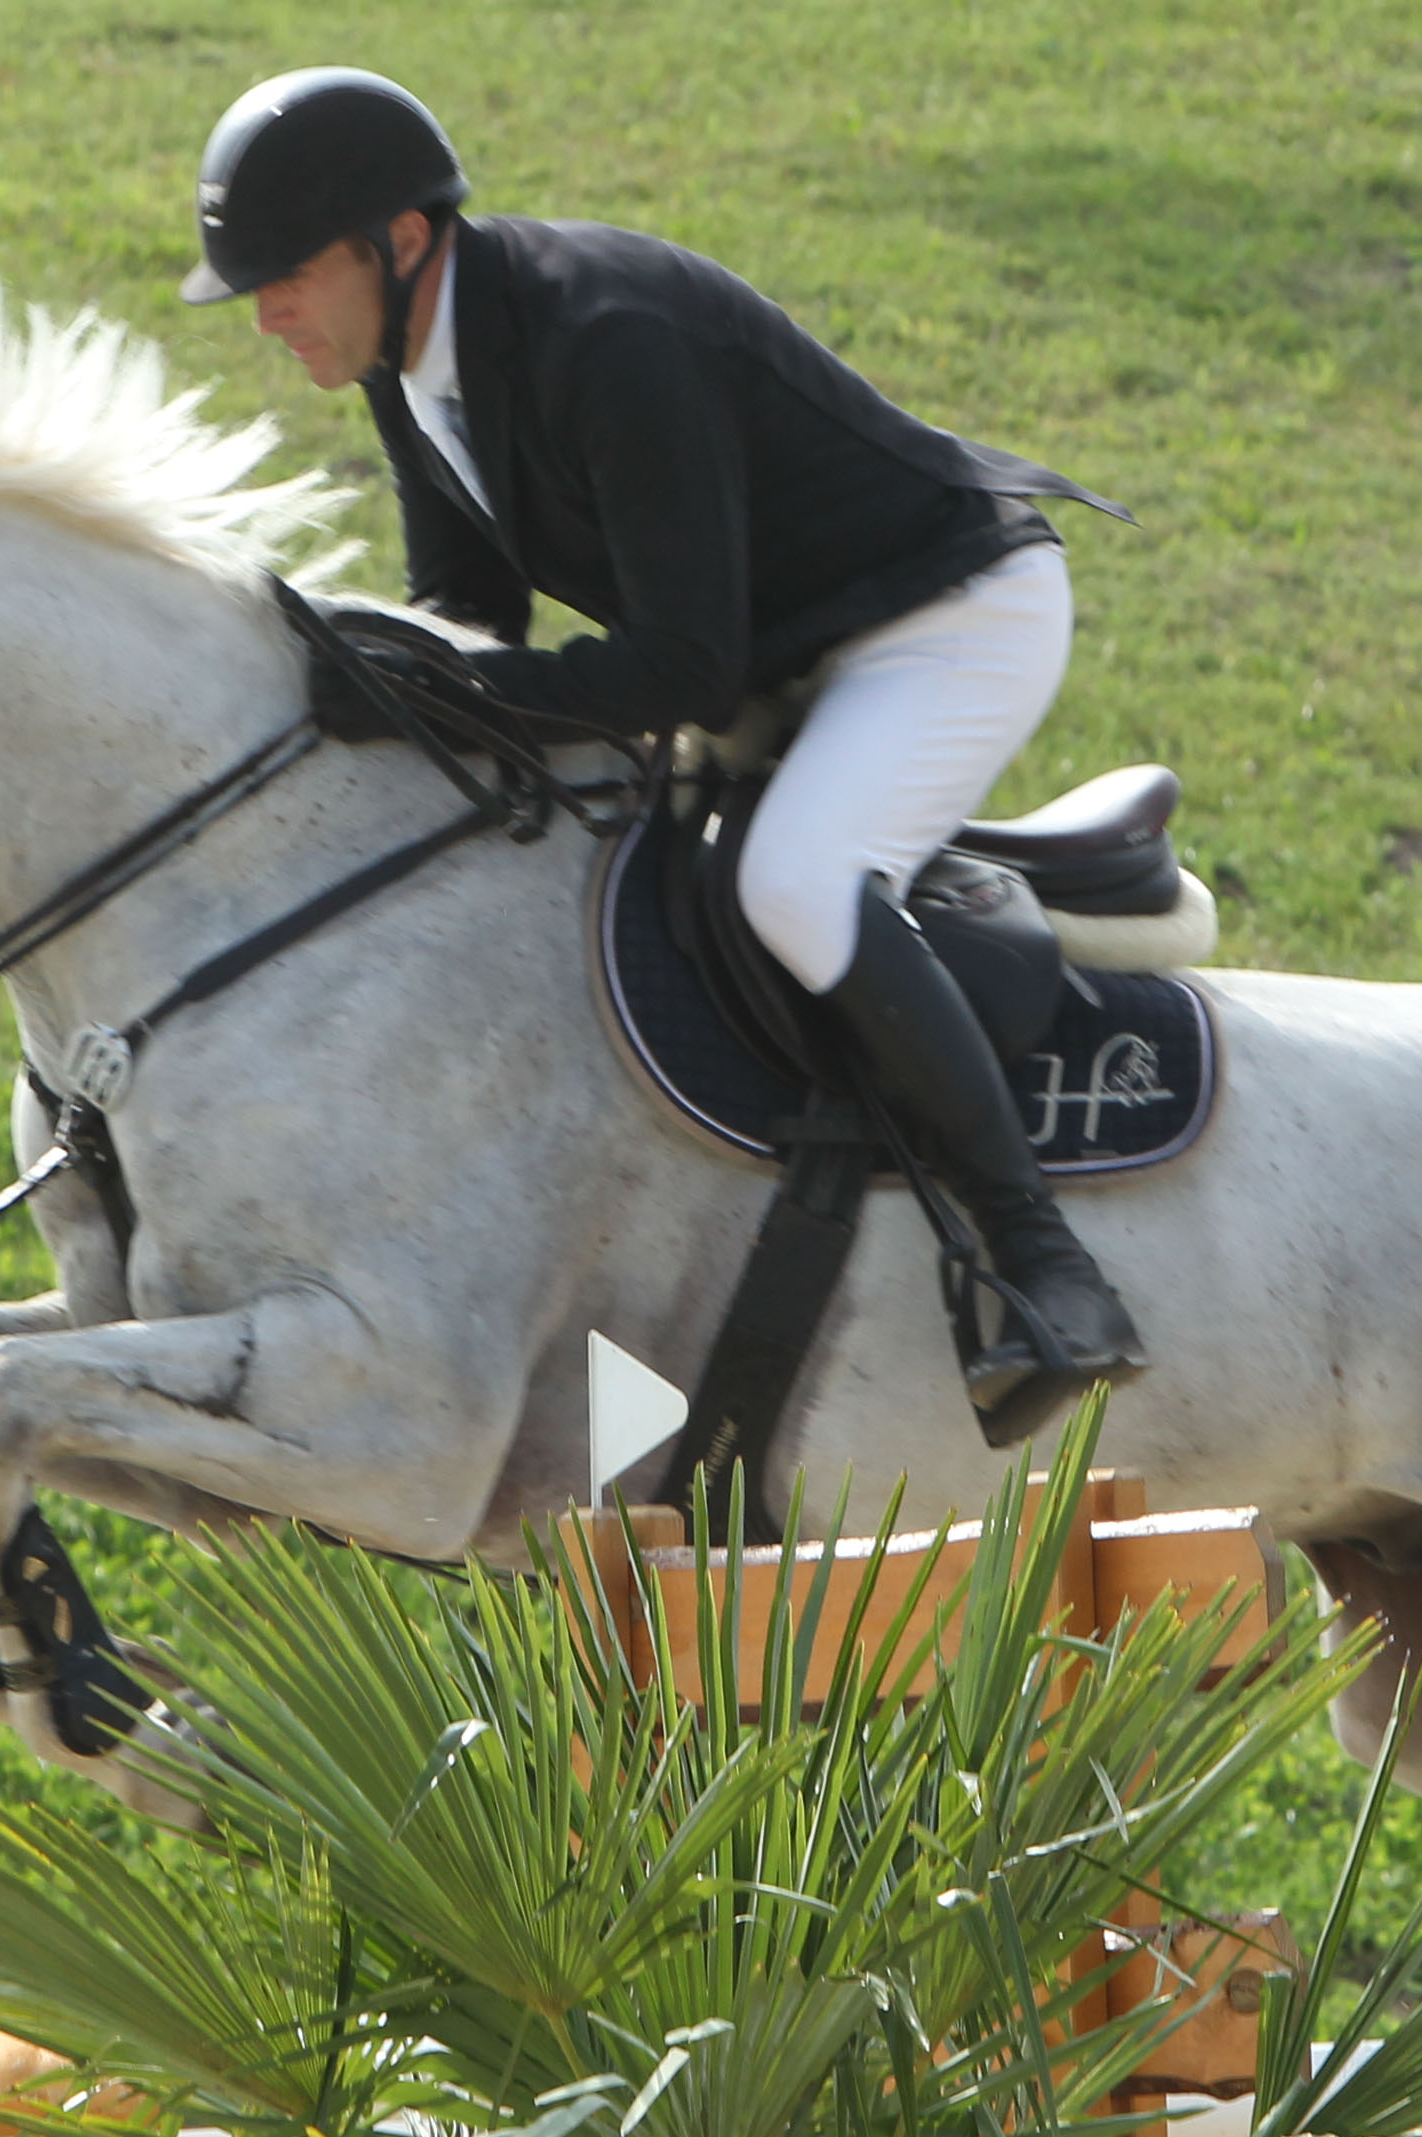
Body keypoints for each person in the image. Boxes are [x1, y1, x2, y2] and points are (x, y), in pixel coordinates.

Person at [184, 68, 1146, 1441]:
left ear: (399, 243)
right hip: (785, 654)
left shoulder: (605, 336)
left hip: (945, 620)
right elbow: (475, 630)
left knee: (796, 882)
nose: (269, 312)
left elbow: (677, 666)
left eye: (285, 276)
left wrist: (441, 695)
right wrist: (387, 692)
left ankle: (1044, 1269)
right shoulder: (410, 373)